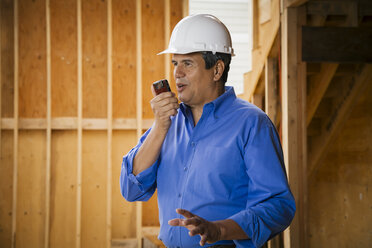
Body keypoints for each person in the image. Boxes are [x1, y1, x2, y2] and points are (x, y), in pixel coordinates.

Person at [120, 14, 295, 248]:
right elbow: (131, 189)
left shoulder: (252, 124)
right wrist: (160, 128)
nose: (177, 73)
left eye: (188, 63)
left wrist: (219, 229)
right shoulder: (166, 123)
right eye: (175, 63)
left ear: (217, 70)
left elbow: (278, 206)